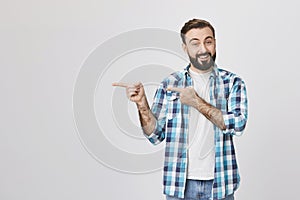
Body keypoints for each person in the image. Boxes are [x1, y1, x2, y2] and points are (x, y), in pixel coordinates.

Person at [112, 19, 248, 200]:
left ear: (215, 43)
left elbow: (238, 125)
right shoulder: (170, 83)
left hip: (221, 183)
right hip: (179, 185)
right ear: (185, 48)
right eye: (195, 43)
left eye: (208, 41)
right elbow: (155, 135)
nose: (203, 49)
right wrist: (142, 104)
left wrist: (196, 102)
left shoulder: (232, 82)